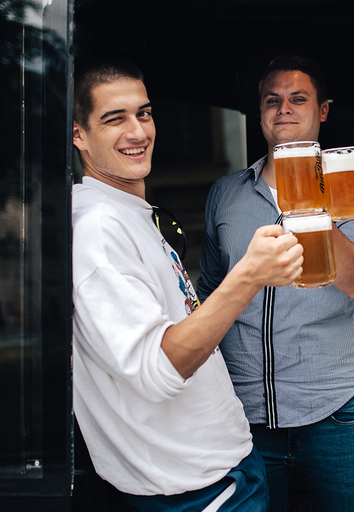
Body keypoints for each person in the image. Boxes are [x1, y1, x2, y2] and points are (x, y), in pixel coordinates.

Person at [71, 56, 304, 511]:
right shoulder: (98, 228)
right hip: (194, 492)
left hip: (221, 472)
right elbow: (159, 369)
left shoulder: (128, 214)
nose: (138, 132)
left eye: (144, 112)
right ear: (79, 133)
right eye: (113, 119)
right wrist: (249, 275)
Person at [197, 55, 354, 512]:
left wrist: (312, 208)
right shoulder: (226, 193)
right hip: (245, 414)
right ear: (259, 114)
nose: (284, 109)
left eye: (298, 99)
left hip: (337, 409)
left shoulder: (349, 188)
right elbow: (209, 292)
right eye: (272, 101)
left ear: (323, 111)